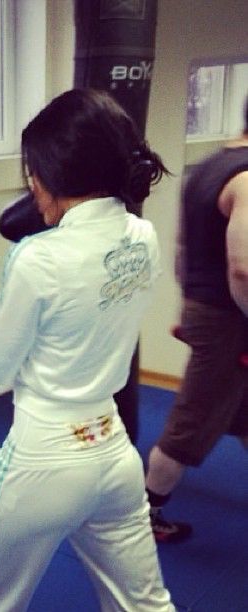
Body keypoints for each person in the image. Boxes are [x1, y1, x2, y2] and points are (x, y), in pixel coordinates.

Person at [0, 88, 173, 611]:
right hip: (114, 455)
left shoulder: (37, 259)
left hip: (42, 462)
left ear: (46, 174)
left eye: (31, 172)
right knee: (146, 605)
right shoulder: (144, 236)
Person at [144, 96, 248, 544]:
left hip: (209, 310)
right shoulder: (247, 178)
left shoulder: (207, 166)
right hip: (232, 316)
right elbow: (243, 267)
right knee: (191, 422)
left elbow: (183, 249)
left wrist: (188, 309)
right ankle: (145, 513)